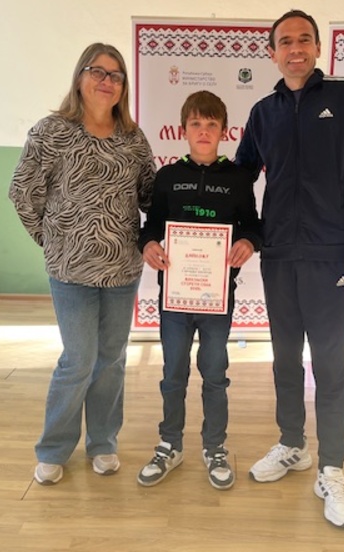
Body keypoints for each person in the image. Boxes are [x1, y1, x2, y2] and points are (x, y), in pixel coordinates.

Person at [235, 10, 344, 528]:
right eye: (285, 42)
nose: (295, 48)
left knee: (329, 365)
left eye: (304, 39)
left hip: (329, 257)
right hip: (279, 256)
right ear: (272, 53)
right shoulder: (263, 112)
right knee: (284, 359)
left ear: (318, 48)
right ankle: (292, 445)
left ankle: (332, 469)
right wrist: (238, 232)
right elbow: (240, 181)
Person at [9, 43, 156, 486]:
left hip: (122, 270)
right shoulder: (51, 131)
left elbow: (151, 197)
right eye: (98, 71)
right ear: (80, 77)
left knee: (110, 359)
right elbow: (22, 192)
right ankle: (54, 448)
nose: (107, 81)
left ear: (123, 87)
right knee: (78, 360)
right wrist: (51, 240)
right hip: (70, 272)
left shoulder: (133, 139)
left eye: (116, 75)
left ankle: (103, 442)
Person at [136, 91, 262, 490]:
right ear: (183, 130)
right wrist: (148, 245)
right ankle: (170, 444)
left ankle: (215, 447)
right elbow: (151, 226)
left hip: (217, 299)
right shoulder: (168, 177)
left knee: (215, 374)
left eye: (211, 125)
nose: (203, 132)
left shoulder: (238, 179)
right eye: (196, 124)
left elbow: (252, 225)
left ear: (224, 131)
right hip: (174, 298)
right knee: (173, 373)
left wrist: (248, 242)